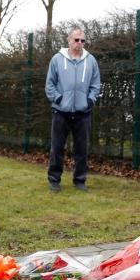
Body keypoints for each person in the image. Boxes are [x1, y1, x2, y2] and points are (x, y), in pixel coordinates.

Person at [45, 27, 101, 193]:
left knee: (82, 149)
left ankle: (80, 180)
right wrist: (59, 99)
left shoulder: (91, 61)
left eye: (82, 40)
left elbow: (95, 85)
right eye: (76, 40)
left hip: (83, 113)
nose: (80, 43)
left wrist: (89, 101)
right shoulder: (57, 59)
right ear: (69, 40)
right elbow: (49, 85)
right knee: (57, 148)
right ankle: (54, 180)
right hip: (60, 112)